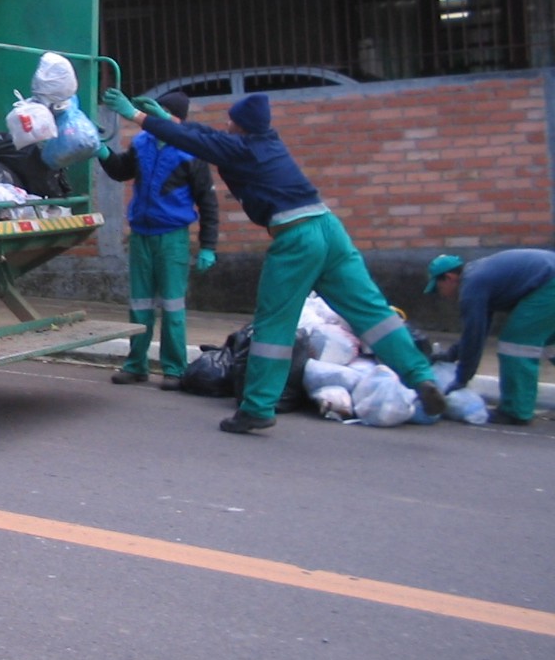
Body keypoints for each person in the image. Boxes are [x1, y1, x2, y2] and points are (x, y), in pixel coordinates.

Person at [100, 87, 447, 434]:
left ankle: (257, 408)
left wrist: (137, 117)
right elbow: (209, 136)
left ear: (244, 127)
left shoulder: (242, 151)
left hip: (296, 238)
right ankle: (420, 377)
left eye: (232, 121)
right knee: (374, 314)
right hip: (330, 230)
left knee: (273, 326)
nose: (227, 125)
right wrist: (163, 120)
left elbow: (202, 142)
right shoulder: (266, 141)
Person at [95, 90, 219, 389]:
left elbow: (208, 201)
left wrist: (208, 247)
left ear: (176, 118)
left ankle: (174, 369)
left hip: (172, 238)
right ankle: (136, 365)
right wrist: (101, 151)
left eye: (161, 112)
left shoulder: (190, 151)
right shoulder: (142, 144)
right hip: (142, 236)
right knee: (140, 305)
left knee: (173, 308)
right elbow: (121, 171)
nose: (153, 118)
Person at [424, 249, 555, 425]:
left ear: (449, 278)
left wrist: (462, 378)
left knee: (516, 344)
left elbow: (474, 338)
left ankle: (516, 411)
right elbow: (479, 330)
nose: (441, 294)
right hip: (547, 277)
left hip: (548, 284)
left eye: (439, 288)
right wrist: (453, 354)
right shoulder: (478, 275)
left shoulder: (471, 287)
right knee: (550, 342)